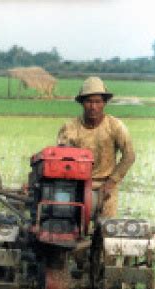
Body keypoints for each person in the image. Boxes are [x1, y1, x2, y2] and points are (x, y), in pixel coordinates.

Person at [57, 76, 135, 217]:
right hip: (77, 184)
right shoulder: (70, 128)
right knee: (68, 224)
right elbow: (62, 160)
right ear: (82, 103)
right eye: (89, 101)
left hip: (106, 183)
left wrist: (111, 182)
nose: (93, 107)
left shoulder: (115, 126)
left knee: (106, 228)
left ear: (104, 103)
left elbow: (129, 156)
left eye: (98, 102)